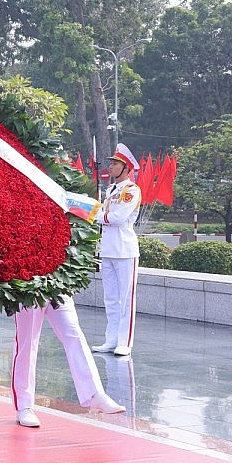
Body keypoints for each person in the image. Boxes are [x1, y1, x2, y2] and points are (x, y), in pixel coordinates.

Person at [11, 296, 125, 427]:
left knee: (74, 333)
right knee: (27, 343)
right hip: (29, 287)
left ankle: (95, 394)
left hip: (57, 284)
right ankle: (24, 406)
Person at [93, 143, 141, 357]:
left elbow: (118, 218)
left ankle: (125, 342)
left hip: (124, 249)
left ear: (125, 168)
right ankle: (111, 339)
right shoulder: (111, 190)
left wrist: (97, 216)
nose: (110, 167)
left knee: (126, 298)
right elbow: (107, 216)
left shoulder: (131, 190)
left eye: (115, 164)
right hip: (108, 248)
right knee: (110, 298)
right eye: (111, 163)